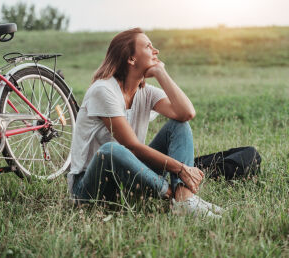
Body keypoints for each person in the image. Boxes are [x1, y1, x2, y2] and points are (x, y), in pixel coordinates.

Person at [68, 28, 224, 218]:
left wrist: (161, 72)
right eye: (148, 46)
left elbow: (186, 113)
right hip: (89, 188)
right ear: (131, 59)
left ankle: (185, 200)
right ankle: (172, 194)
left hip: (126, 179)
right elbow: (131, 147)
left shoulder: (146, 92)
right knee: (110, 151)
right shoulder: (103, 90)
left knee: (179, 126)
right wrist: (181, 168)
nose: (156, 50)